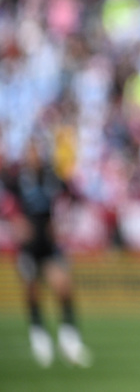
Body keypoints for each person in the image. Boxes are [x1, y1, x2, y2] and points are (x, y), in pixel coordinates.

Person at [0, 133, 92, 368]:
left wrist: (62, 224)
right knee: (32, 290)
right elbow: (6, 204)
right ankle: (39, 334)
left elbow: (74, 196)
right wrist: (14, 222)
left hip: (49, 244)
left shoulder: (52, 176)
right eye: (30, 151)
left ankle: (69, 337)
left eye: (37, 151)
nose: (34, 156)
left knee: (63, 286)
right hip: (29, 246)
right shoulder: (16, 178)